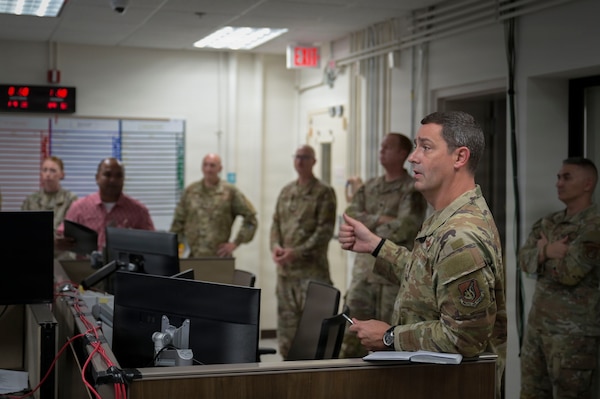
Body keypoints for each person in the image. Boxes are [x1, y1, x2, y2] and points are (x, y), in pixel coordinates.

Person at [338, 111, 506, 398]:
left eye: (426, 147)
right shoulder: (444, 217)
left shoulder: (461, 235)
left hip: (451, 387)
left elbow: (464, 337)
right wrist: (377, 246)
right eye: (415, 146)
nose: (413, 157)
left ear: (459, 157)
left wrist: (389, 336)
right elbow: (425, 277)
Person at [339, 133, 427, 358]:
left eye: (388, 147)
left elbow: (406, 226)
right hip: (363, 274)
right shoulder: (370, 186)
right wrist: (382, 219)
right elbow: (350, 216)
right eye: (381, 146)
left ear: (402, 153)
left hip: (392, 277)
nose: (381, 150)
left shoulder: (411, 189)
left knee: (388, 339)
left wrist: (367, 224)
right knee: (352, 337)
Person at [519, 157, 600, 399]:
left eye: (566, 177)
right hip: (538, 328)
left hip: (573, 334)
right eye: (558, 177)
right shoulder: (549, 221)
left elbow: (569, 274)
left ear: (588, 184)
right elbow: (523, 261)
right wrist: (548, 251)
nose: (558, 183)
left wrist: (540, 257)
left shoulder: (594, 226)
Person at [270, 144, 337, 359]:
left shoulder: (323, 192)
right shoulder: (287, 191)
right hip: (286, 276)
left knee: (313, 332)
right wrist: (276, 247)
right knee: (287, 333)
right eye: (297, 157)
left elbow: (323, 232)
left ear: (314, 161)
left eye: (305, 157)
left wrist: (296, 253)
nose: (300, 161)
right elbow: (276, 224)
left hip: (311, 275)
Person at [57, 157, 155, 252]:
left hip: (124, 267)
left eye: (118, 175)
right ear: (97, 178)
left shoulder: (138, 211)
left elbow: (152, 243)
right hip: (85, 267)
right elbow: (61, 236)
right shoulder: (79, 207)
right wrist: (60, 242)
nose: (113, 180)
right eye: (107, 175)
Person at [170, 153, 257, 258]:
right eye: (205, 165)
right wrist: (173, 250)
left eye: (212, 165)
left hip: (219, 257)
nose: (208, 169)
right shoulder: (191, 192)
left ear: (220, 168)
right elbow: (178, 222)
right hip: (193, 256)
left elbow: (251, 218)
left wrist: (235, 243)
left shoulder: (229, 192)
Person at [21, 156, 78, 232]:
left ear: (62, 174)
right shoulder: (31, 200)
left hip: (60, 242)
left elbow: (73, 230)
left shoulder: (71, 199)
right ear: (41, 173)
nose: (48, 174)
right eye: (45, 170)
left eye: (53, 170)